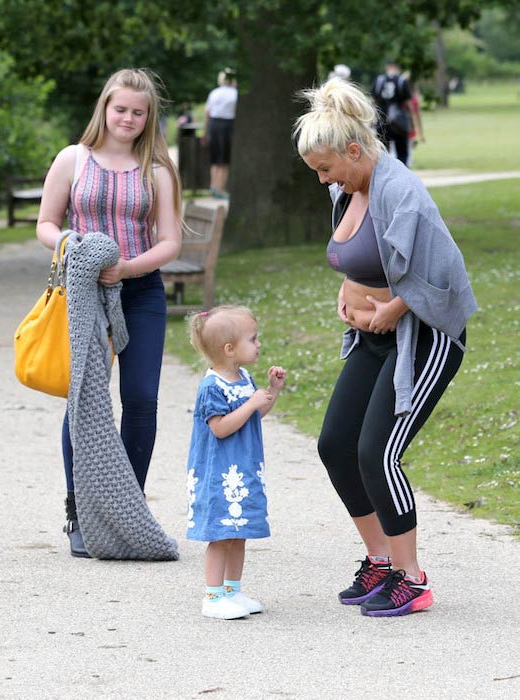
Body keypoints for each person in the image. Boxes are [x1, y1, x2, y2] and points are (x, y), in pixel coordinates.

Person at [294, 78, 477, 617]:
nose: (324, 180)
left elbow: (445, 277)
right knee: (335, 444)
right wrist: (347, 295)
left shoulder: (403, 193)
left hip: (425, 338)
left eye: (327, 168)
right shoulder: (347, 188)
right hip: (374, 338)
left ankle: (413, 580)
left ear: (355, 150)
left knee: (378, 452)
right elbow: (359, 257)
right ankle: (380, 561)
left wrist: (391, 309)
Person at [36, 68, 183, 557]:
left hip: (140, 293)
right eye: (120, 109)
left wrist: (126, 268)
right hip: (83, 296)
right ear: (105, 108)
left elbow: (170, 242)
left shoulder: (158, 170)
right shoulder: (72, 159)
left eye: (138, 113)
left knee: (140, 400)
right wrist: (72, 245)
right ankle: (79, 511)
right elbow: (45, 224)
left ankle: (128, 509)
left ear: (148, 118)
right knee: (84, 398)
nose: (128, 118)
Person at [186, 306, 286, 619]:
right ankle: (212, 597)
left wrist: (271, 392)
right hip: (220, 473)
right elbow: (220, 427)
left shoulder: (243, 377)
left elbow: (255, 416)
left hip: (243, 470)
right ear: (230, 350)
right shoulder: (212, 386)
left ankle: (232, 590)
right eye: (252, 339)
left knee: (238, 531)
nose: (258, 345)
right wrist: (252, 402)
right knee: (220, 535)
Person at [201, 68, 238, 199]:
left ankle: (213, 186)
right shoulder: (235, 94)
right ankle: (220, 189)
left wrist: (204, 132)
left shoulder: (214, 93)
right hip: (228, 125)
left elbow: (207, 113)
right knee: (224, 160)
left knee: (215, 158)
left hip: (214, 125)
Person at [372, 59, 413, 165]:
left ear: (387, 67)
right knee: (402, 153)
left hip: (382, 121)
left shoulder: (379, 80)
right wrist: (412, 123)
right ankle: (402, 177)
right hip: (399, 122)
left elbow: (373, 102)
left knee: (382, 154)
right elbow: (409, 104)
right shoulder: (402, 81)